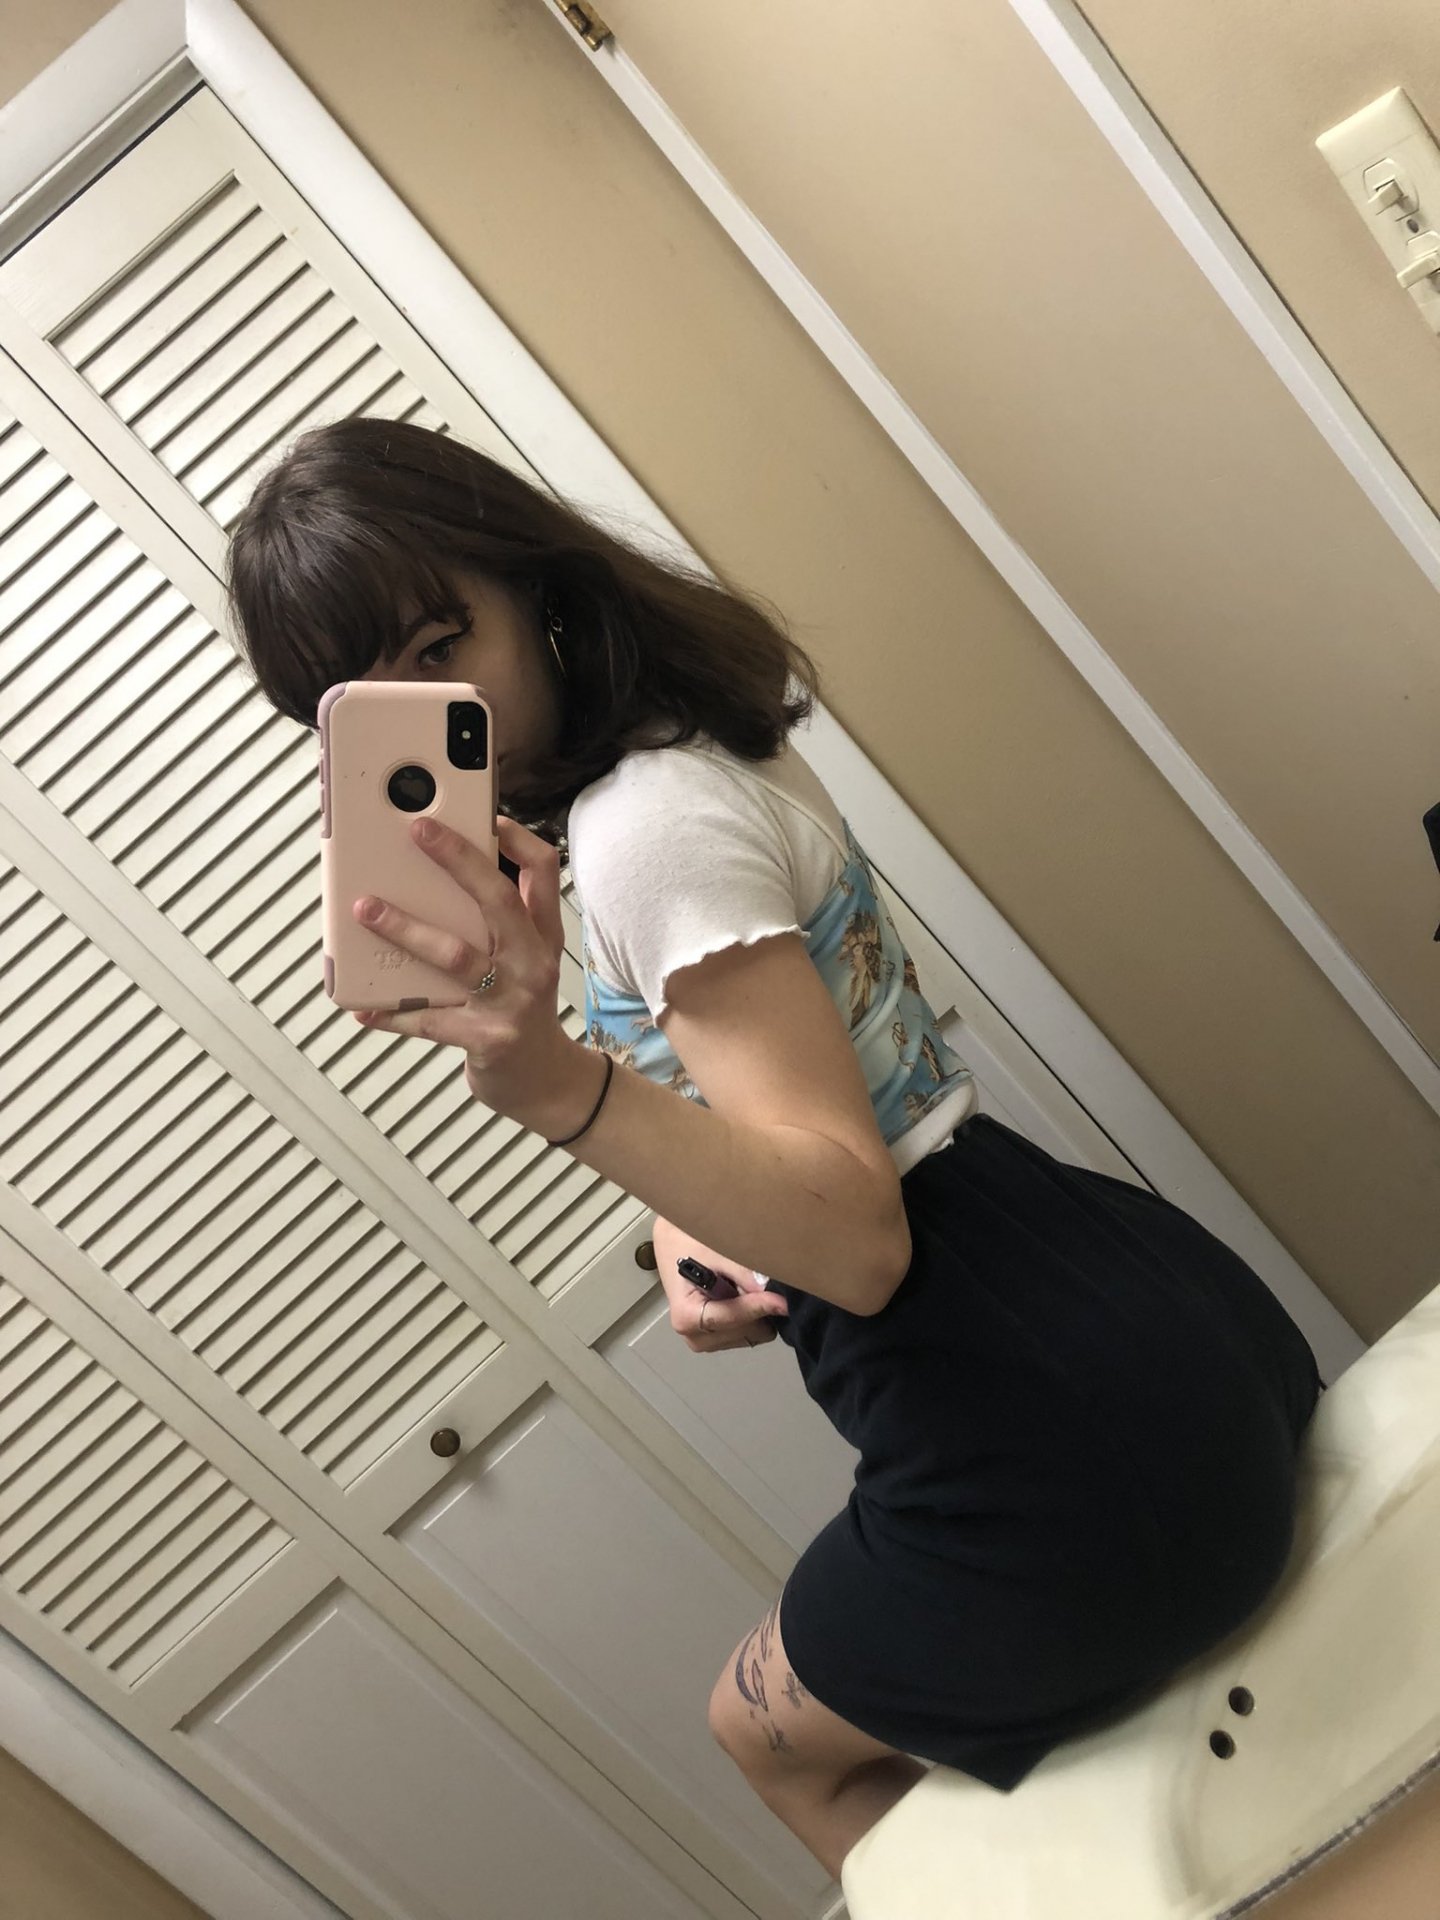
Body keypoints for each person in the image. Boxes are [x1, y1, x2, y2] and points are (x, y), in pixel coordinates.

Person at [226, 415, 1324, 1882]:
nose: (438, 712)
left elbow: (859, 1243)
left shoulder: (641, 834)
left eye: (443, 644)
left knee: (765, 1738)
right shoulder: (679, 758)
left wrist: (552, 1085)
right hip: (1131, 1301)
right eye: (378, 697)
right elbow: (807, 1095)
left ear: (532, 586)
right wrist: (691, 1221)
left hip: (1040, 1421)